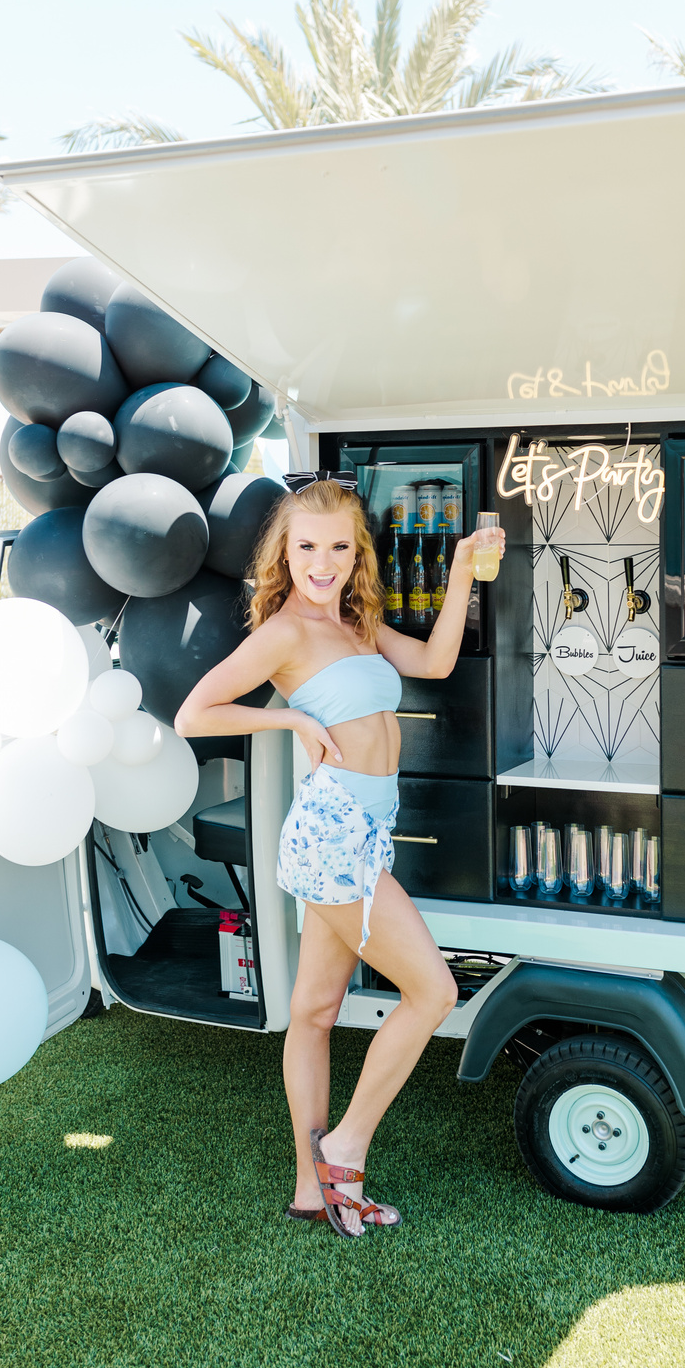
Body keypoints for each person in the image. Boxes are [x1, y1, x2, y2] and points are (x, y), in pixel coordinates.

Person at [175, 473, 504, 1238]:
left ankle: (306, 1186)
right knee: (433, 993)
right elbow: (195, 714)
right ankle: (345, 1147)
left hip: (360, 831)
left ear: (354, 553)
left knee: (314, 1012)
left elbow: (434, 665)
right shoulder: (285, 632)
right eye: (305, 548)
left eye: (336, 547)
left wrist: (458, 574)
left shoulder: (356, 622)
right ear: (283, 554)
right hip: (333, 836)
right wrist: (287, 718)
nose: (320, 563)